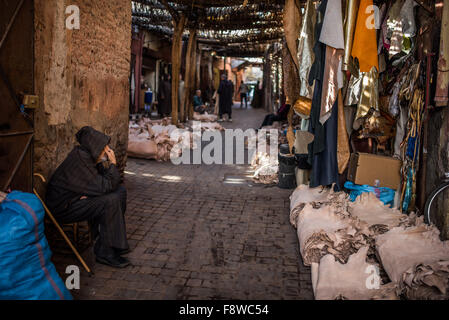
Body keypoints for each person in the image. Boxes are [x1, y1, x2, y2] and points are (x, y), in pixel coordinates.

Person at [46, 126, 130, 268]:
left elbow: (108, 183)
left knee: (120, 192)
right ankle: (105, 252)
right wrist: (113, 164)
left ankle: (107, 242)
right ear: (95, 146)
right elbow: (106, 185)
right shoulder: (80, 158)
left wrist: (106, 168)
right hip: (63, 207)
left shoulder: (90, 157)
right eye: (104, 147)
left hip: (76, 200)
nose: (107, 150)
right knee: (110, 200)